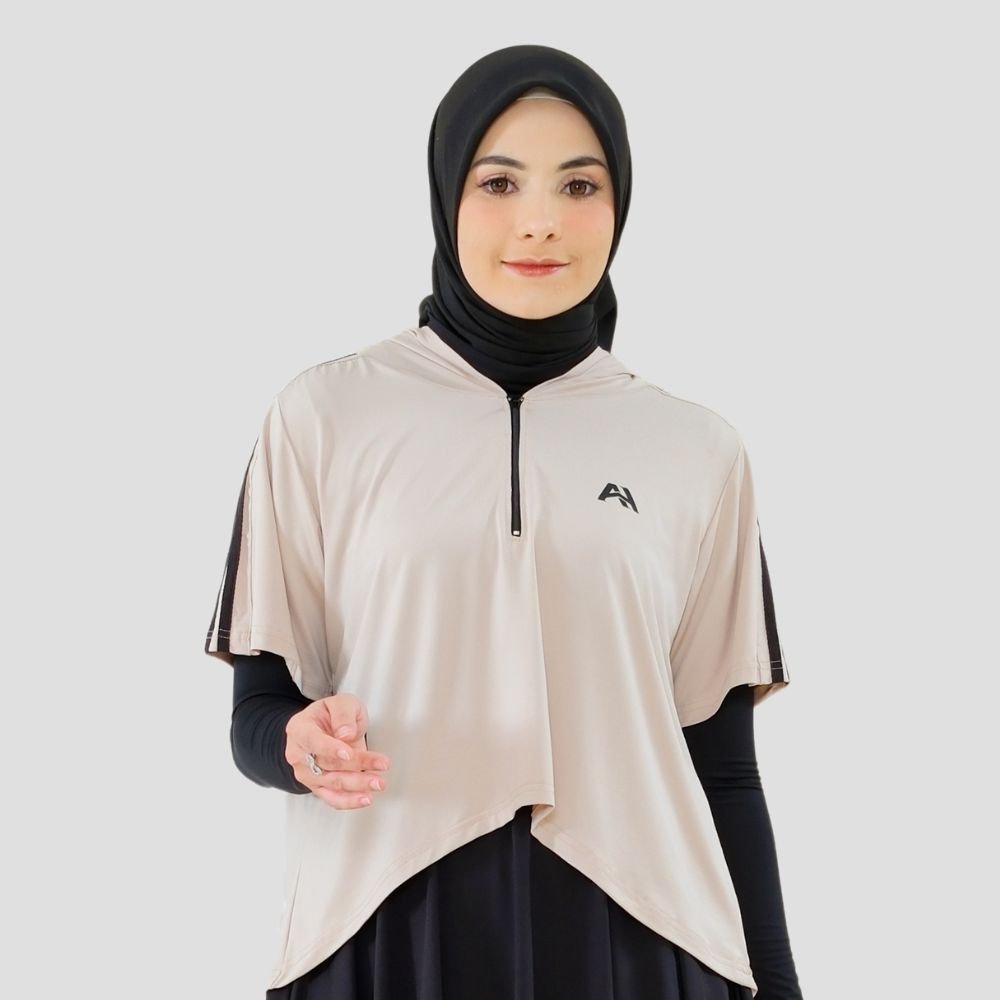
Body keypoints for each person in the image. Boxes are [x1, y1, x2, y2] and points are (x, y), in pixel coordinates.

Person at [205, 44, 805, 1000]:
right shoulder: (324, 416)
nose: (540, 220)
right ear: (447, 196)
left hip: (639, 937)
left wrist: (778, 985)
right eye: (498, 182)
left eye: (579, 185)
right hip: (387, 931)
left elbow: (723, 769)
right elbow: (257, 711)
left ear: (620, 204)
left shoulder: (697, 449)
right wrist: (299, 745)